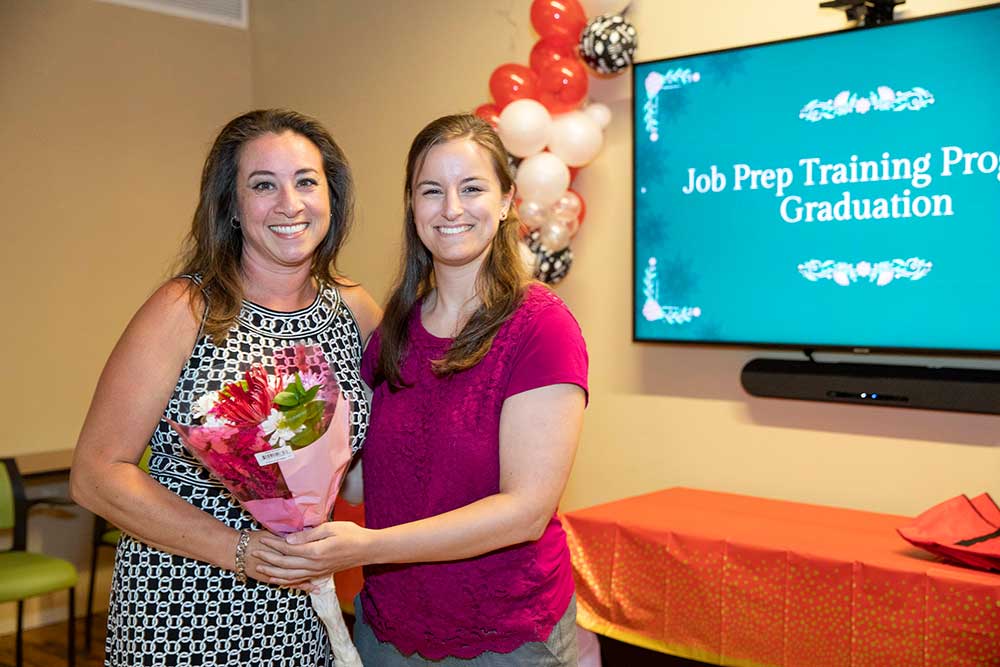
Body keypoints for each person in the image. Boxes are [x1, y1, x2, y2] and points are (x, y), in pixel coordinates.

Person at [257, 113, 589, 665]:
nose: (451, 208)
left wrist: (368, 546)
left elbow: (525, 511)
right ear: (413, 208)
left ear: (507, 200)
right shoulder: (394, 329)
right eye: (431, 191)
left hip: (504, 639)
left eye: (472, 188)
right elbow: (361, 484)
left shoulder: (542, 327)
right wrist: (284, 437)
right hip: (386, 629)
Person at [70, 108, 380, 666]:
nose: (290, 203)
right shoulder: (185, 310)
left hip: (302, 615)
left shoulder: (355, 311)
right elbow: (95, 476)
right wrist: (242, 552)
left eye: (306, 181)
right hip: (183, 615)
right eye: (263, 185)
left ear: (331, 198)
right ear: (232, 207)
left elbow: (362, 475)